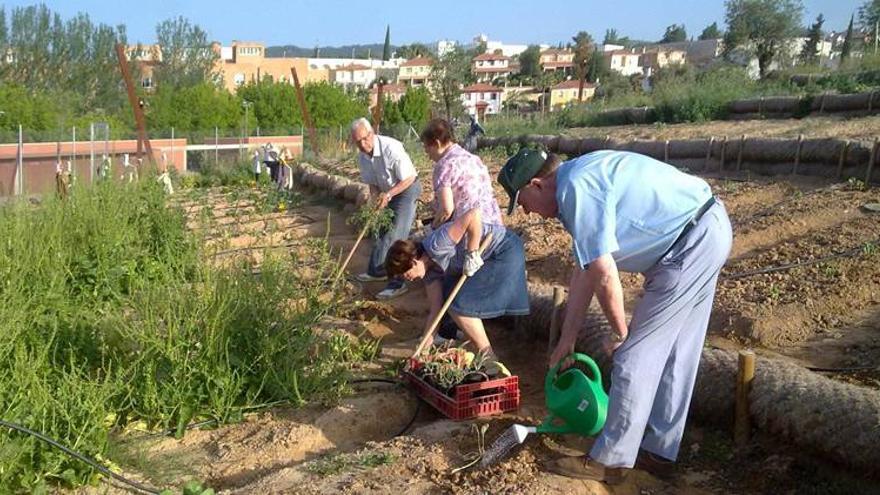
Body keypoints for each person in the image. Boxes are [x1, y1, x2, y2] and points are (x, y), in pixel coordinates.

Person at [499, 148, 732, 484]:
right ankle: (659, 452)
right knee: (677, 353)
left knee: (634, 358)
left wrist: (623, 334)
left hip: (687, 245)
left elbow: (605, 273)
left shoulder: (576, 188)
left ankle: (611, 461)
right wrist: (567, 338)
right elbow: (586, 271)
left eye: (522, 202)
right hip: (706, 230)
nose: (526, 211)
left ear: (536, 184)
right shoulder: (577, 180)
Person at [385, 207, 528, 375]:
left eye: (405, 273)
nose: (407, 278)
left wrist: (472, 253)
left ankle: (489, 357)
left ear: (414, 261)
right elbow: (436, 311)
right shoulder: (429, 274)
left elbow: (474, 214)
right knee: (452, 305)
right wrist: (422, 349)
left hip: (503, 249)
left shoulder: (437, 244)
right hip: (487, 260)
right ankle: (482, 353)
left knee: (459, 306)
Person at [421, 118, 504, 343]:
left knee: (439, 269)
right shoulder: (472, 158)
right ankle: (452, 331)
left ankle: (439, 333)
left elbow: (447, 210)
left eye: (427, 147)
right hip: (495, 229)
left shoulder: (443, 165)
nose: (427, 153)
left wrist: (433, 228)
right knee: (456, 278)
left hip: (471, 229)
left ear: (437, 142)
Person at [350, 117, 422, 300]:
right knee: (380, 231)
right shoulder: (363, 156)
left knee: (396, 235)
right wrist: (376, 200)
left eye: (364, 139)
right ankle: (376, 271)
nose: (362, 144)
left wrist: (388, 195)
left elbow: (409, 178)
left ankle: (397, 284)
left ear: (371, 133)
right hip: (387, 191)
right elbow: (372, 183)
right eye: (357, 142)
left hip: (406, 189)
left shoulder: (391, 148)